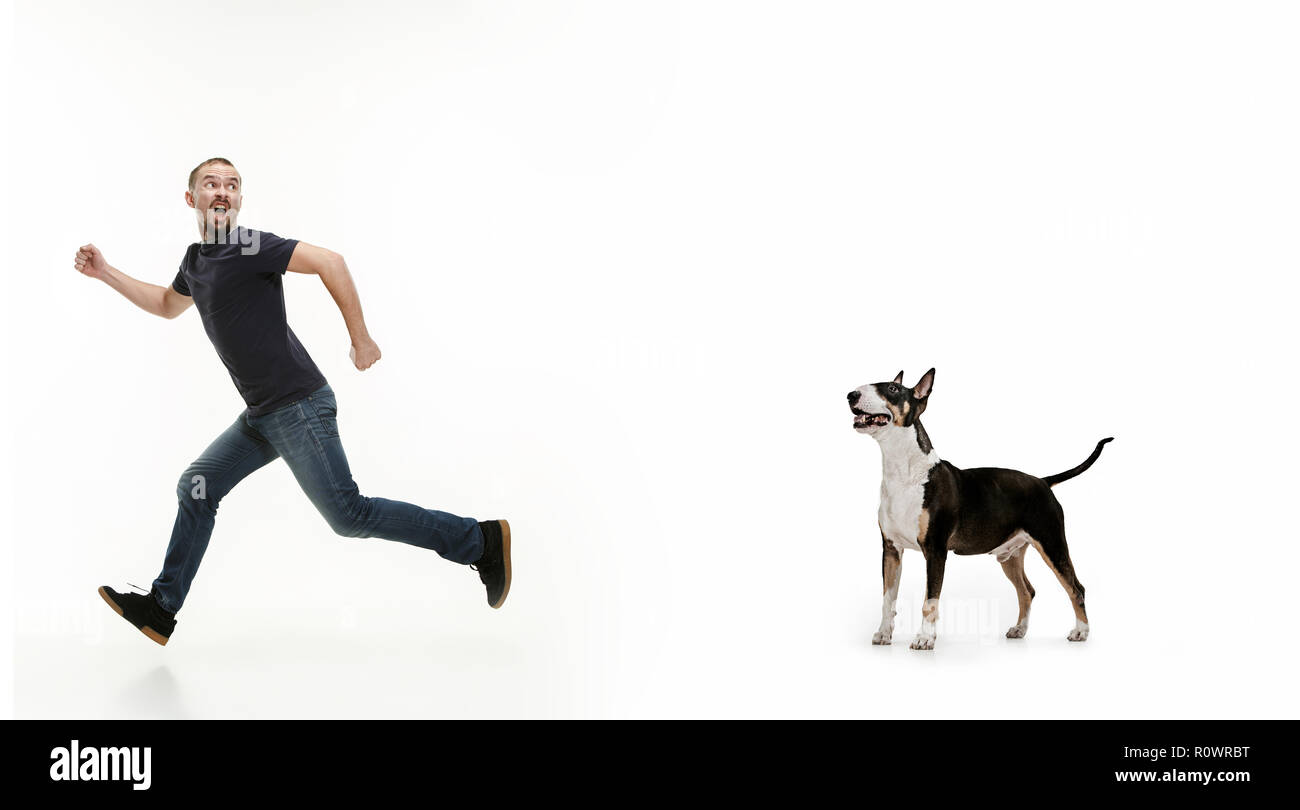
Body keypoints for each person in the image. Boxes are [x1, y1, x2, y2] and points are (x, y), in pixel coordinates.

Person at [74, 157, 511, 646]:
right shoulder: (196, 262)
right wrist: (106, 272)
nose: (222, 191)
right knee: (198, 484)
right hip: (263, 415)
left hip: (299, 406)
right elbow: (165, 305)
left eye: (232, 185)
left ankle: (480, 540)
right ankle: (162, 607)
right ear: (190, 198)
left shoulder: (247, 244)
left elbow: (331, 262)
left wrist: (360, 338)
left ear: (239, 199)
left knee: (349, 515)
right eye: (211, 184)